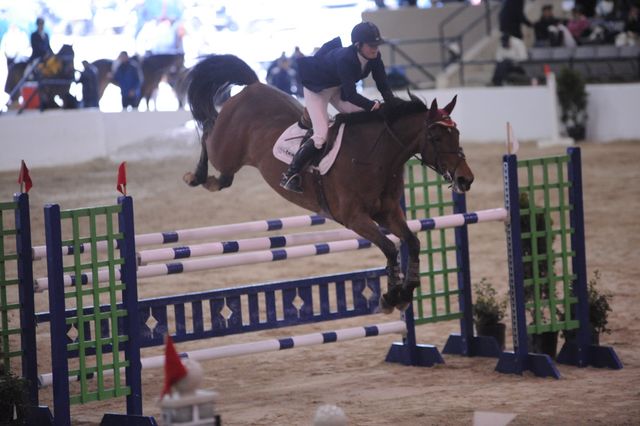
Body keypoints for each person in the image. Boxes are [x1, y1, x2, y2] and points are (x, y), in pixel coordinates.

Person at [280, 21, 395, 193]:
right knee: (321, 135)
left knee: (364, 117)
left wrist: (393, 105)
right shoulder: (345, 59)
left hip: (337, 87)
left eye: (377, 45)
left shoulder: (374, 57)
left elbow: (383, 83)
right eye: (371, 45)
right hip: (317, 89)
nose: (375, 49)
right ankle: (290, 174)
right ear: (358, 45)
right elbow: (351, 95)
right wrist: (373, 105)